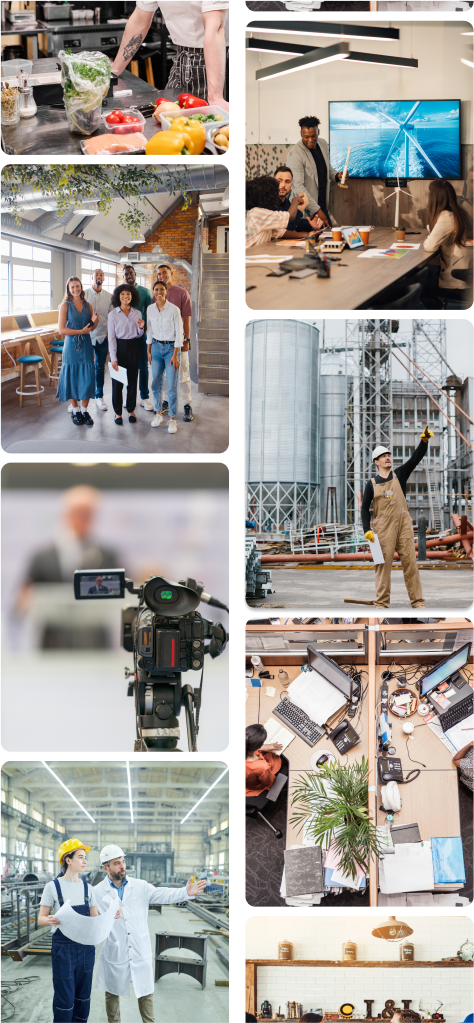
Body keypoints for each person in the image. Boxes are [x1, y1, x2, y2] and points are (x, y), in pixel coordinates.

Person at [93, 844, 207, 1022]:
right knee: (112, 992)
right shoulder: (97, 892)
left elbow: (164, 894)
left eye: (123, 861)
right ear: (106, 867)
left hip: (139, 948)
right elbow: (93, 921)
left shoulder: (140, 886)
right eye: (117, 863)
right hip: (115, 950)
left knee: (145, 992)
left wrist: (185, 892)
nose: (122, 866)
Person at [17, 485, 118, 648]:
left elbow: (119, 597)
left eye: (88, 513)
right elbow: (22, 600)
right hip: (54, 645)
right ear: (66, 514)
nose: (83, 518)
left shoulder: (108, 556)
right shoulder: (42, 556)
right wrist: (25, 602)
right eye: (78, 512)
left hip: (96, 646)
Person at [38, 839, 121, 1023]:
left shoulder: (87, 888)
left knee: (83, 999)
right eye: (81, 857)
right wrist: (49, 919)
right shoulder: (52, 887)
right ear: (68, 860)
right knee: (65, 1001)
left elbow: (95, 918)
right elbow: (41, 918)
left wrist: (110, 914)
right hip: (63, 950)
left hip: (86, 950)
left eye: (85, 858)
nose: (85, 861)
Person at [109, 0, 238, 109]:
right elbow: (139, 20)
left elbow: (215, 28)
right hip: (182, 57)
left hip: (215, 61)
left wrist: (215, 97)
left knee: (207, 129)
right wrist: (113, 72)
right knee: (167, 116)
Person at [361, 428, 434, 610]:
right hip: (383, 529)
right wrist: (367, 530)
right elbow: (364, 508)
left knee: (410, 564)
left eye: (389, 455)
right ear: (376, 462)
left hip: (403, 526)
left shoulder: (400, 474)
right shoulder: (371, 484)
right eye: (383, 456)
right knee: (382, 567)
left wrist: (424, 441)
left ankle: (417, 603)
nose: (388, 458)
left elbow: (415, 458)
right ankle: (382, 605)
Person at [287, 116, 345, 227]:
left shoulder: (323, 144)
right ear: (301, 134)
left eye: (313, 136)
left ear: (318, 132)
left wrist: (337, 176)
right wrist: (317, 211)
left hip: (322, 208)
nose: (310, 140)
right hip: (305, 214)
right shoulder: (295, 154)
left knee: (330, 242)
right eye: (306, 137)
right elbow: (298, 187)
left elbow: (327, 168)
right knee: (310, 243)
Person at [56, 277, 98, 426]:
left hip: (86, 344)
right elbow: (61, 330)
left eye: (77, 286)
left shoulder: (88, 305)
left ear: (81, 287)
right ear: (68, 289)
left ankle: (85, 410)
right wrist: (81, 331)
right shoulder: (64, 306)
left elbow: (90, 328)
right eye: (72, 287)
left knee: (87, 377)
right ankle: (75, 411)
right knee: (72, 378)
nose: (75, 289)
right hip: (71, 346)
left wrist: (95, 322)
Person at [423, 179, 472, 305]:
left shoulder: (446, 216)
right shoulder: (459, 213)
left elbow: (430, 246)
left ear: (435, 198)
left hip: (457, 279)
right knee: (426, 271)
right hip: (465, 271)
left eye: (430, 193)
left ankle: (439, 310)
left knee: (418, 284)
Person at [157, 263, 194, 423]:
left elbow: (186, 320)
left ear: (171, 273)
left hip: (179, 343)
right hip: (162, 344)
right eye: (159, 274)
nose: (162, 276)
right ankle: (165, 401)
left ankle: (187, 404)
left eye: (164, 272)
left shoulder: (182, 293)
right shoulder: (156, 294)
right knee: (164, 376)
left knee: (183, 375)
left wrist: (186, 340)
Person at [147, 280, 183, 434]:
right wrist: (148, 350)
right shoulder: (150, 309)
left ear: (166, 291)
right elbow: (149, 331)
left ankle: (173, 419)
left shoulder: (174, 310)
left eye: (162, 289)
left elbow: (179, 334)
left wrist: (175, 355)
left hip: (170, 349)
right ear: (153, 291)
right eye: (156, 289)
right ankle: (158, 413)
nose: (159, 292)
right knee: (155, 383)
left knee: (171, 385)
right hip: (155, 348)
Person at [108, 283, 145, 425]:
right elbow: (111, 337)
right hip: (119, 347)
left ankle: (130, 410)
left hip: (133, 348)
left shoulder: (137, 313)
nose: (125, 296)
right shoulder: (113, 315)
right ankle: (117, 413)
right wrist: (114, 358)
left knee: (132, 382)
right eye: (122, 294)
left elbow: (139, 334)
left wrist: (141, 328)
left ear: (132, 296)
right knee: (117, 383)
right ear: (118, 296)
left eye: (128, 294)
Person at [245, 176, 317, 249]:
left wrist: (307, 235)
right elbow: (291, 216)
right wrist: (295, 201)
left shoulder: (261, 213)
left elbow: (279, 232)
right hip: (250, 254)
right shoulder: (256, 213)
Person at [122, 266, 154, 413]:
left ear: (135, 274)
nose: (129, 276)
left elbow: (151, 314)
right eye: (126, 274)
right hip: (126, 339)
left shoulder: (145, 292)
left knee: (143, 367)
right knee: (128, 369)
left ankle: (145, 397)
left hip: (141, 337)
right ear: (123, 276)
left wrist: (146, 332)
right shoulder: (121, 292)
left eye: (131, 273)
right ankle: (130, 397)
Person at [84, 269, 113, 413]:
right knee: (85, 367)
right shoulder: (84, 294)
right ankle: (81, 398)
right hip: (87, 336)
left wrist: (109, 333)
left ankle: (99, 396)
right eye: (96, 275)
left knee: (100, 367)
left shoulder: (109, 296)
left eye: (101, 275)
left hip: (102, 336)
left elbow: (112, 316)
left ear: (104, 279)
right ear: (92, 277)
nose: (99, 277)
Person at [274, 166, 325, 232]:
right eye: (279, 181)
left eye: (287, 182)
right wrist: (299, 210)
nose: (283, 185)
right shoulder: (268, 203)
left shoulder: (286, 202)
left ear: (291, 186)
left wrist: (311, 225)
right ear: (273, 183)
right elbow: (285, 229)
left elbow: (297, 224)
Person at [245, 723, 283, 796]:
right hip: (254, 785)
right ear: (259, 746)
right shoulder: (261, 766)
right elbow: (270, 782)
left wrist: (263, 747)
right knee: (275, 759)